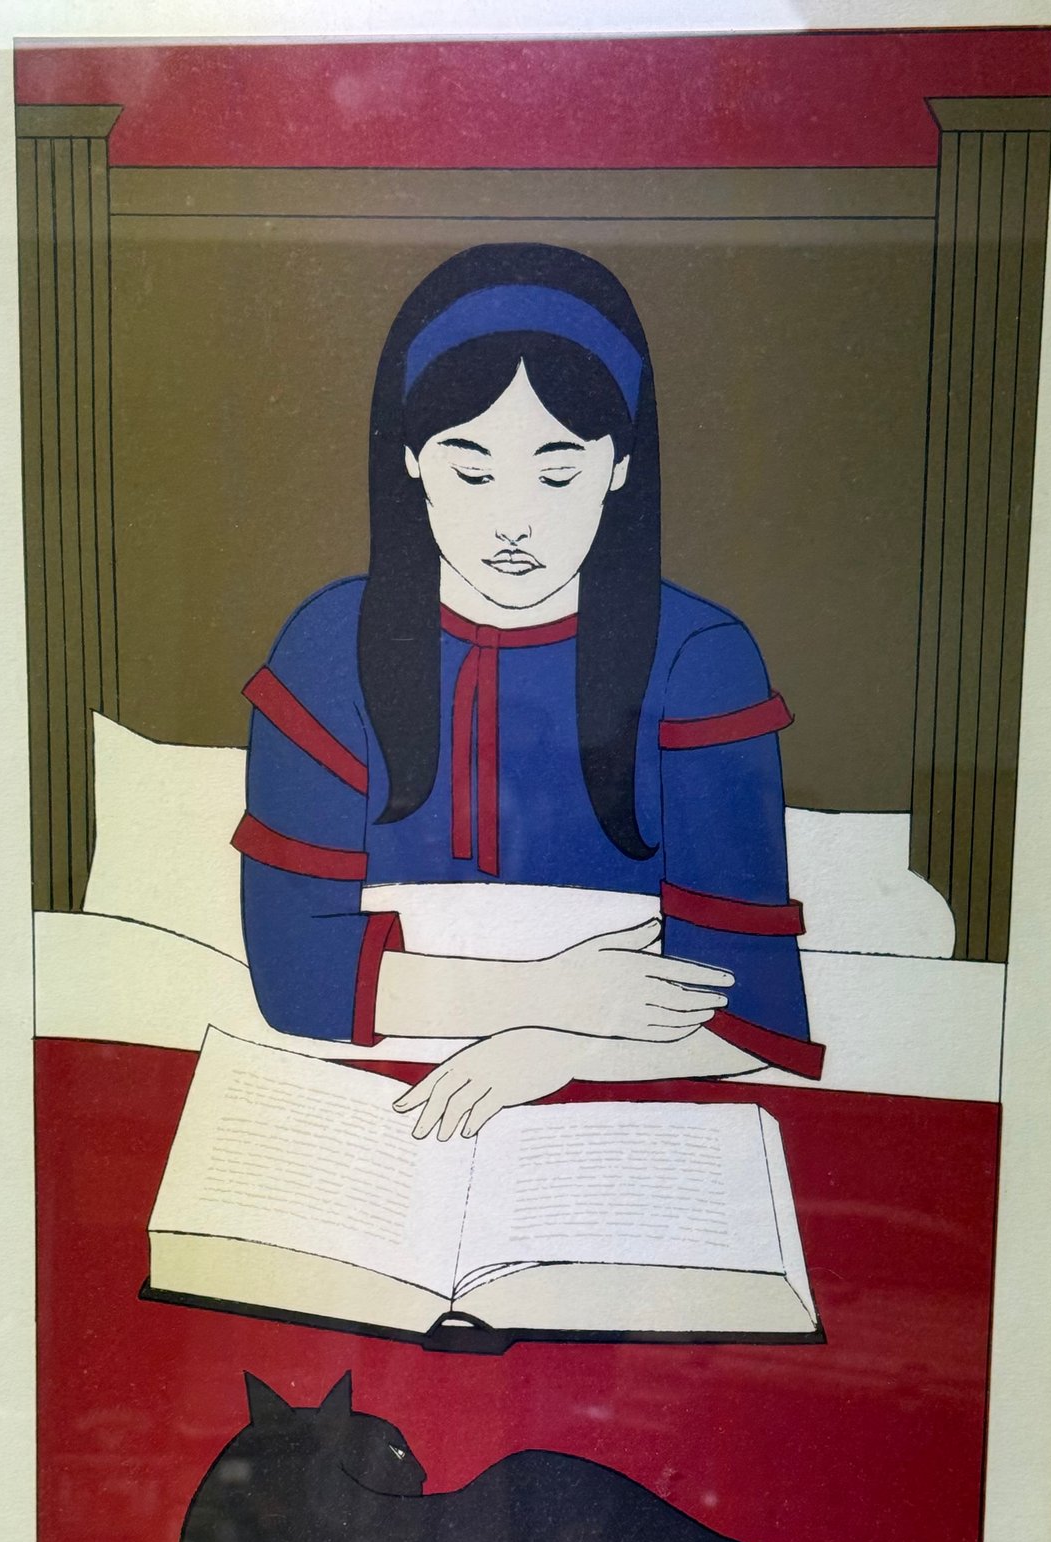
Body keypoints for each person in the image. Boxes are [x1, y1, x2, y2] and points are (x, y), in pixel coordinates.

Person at [234, 243, 823, 1139]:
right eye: (471, 470)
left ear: (620, 465)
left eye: (558, 472)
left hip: (617, 1119)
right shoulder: (329, 644)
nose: (514, 522)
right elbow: (294, 978)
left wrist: (555, 1053)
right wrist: (555, 995)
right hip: (368, 1109)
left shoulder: (700, 656)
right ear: (410, 459)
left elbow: (753, 1011)